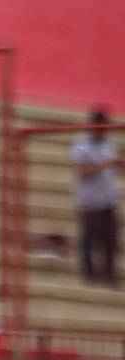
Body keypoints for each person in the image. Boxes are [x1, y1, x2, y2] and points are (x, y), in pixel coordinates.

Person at [73, 108, 118, 286]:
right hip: (90, 201)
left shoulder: (110, 144)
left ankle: (109, 276)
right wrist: (105, 165)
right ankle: (89, 277)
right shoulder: (80, 145)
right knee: (89, 240)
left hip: (108, 199)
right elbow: (83, 171)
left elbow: (112, 168)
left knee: (110, 239)